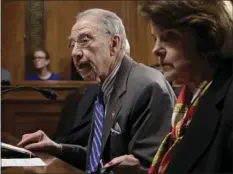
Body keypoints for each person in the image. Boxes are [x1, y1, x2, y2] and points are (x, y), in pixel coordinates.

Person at [17, 8, 176, 173]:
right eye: (72, 44)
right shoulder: (105, 85)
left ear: (114, 44)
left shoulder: (148, 87)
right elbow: (99, 159)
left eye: (84, 41)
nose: (75, 52)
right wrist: (58, 148)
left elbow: (149, 168)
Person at [105, 1, 233, 173]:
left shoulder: (228, 98)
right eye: (155, 38)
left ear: (206, 36)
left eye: (169, 37)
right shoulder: (186, 98)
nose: (156, 50)